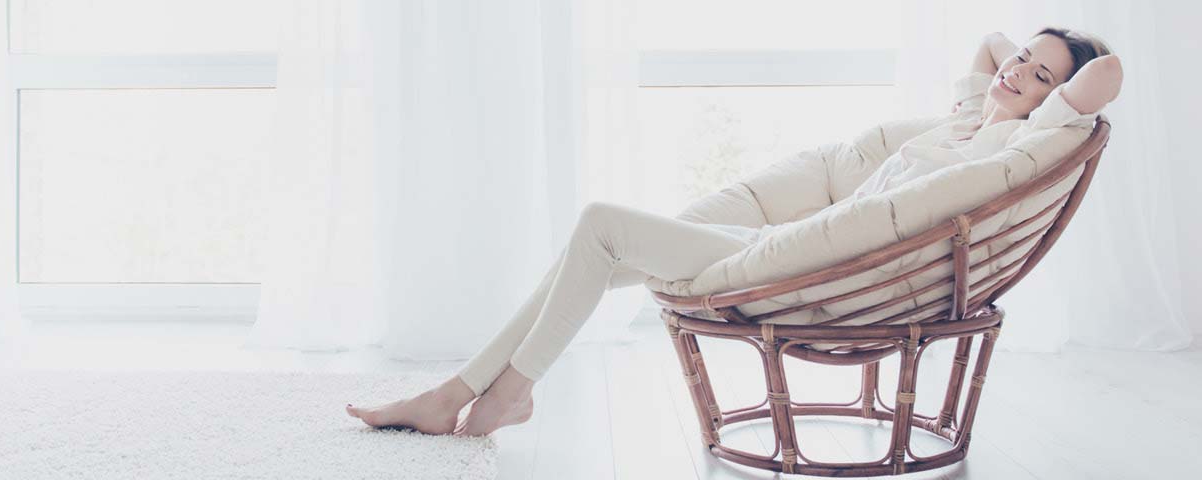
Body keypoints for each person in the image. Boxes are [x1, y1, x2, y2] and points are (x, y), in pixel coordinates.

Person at [345, 27, 1123, 436]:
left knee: (599, 227)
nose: (1014, 70)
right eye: (1022, 58)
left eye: (1039, 75)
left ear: (1056, 104)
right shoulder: (963, 122)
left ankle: (496, 389)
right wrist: (1026, 62)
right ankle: (467, 391)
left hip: (823, 272)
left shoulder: (1008, 149)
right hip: (808, 247)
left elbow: (1104, 79)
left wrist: (1061, 87)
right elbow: (989, 44)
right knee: (597, 249)